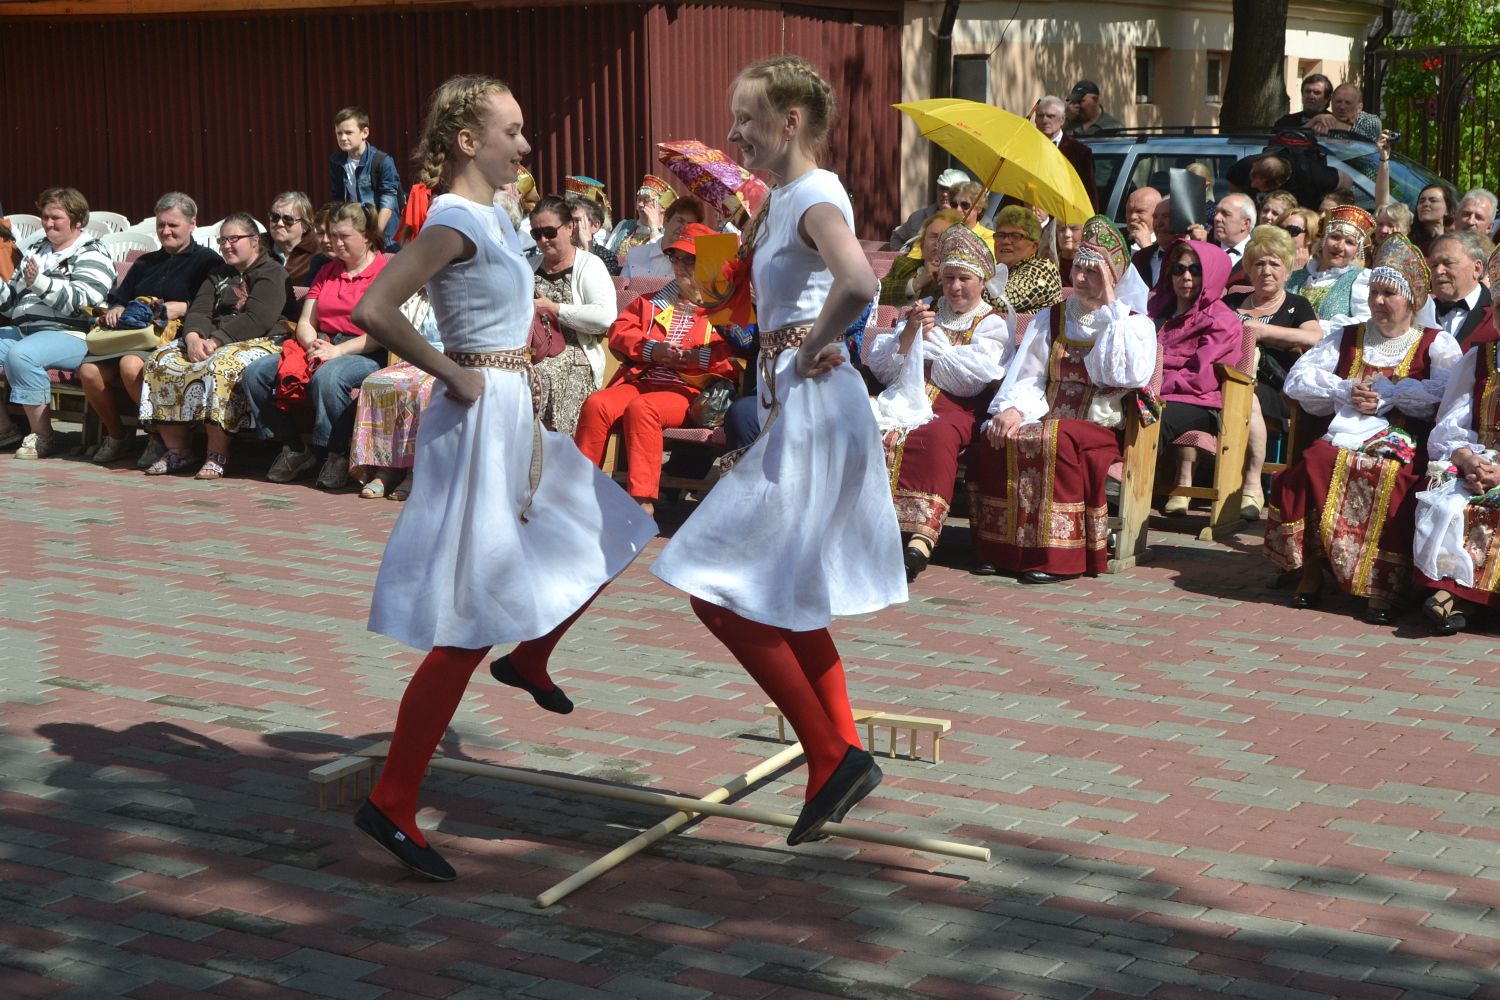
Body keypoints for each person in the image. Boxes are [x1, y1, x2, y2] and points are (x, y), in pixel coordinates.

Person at [349, 74, 656, 882]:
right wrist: (454, 373)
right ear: (466, 141)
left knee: (615, 525)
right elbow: (376, 309)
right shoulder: (453, 219)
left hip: (512, 409)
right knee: (470, 621)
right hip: (480, 418)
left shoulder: (493, 215)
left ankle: (531, 658)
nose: (524, 144)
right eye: (511, 131)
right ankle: (392, 800)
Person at [651, 55, 902, 846]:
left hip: (816, 408)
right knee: (785, 595)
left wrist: (816, 342)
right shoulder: (783, 200)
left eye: (747, 119)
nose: (735, 134)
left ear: (791, 122)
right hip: (795, 402)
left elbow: (858, 280)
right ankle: (843, 755)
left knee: (715, 587)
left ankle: (831, 756)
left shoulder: (815, 194)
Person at [1265, 234, 1461, 623]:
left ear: (1412, 300)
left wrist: (1394, 394)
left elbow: (1447, 393)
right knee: (1317, 458)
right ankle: (1311, 572)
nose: (1378, 302)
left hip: (1405, 442)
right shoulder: (1347, 335)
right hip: (1344, 435)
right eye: (1374, 292)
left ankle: (1381, 586)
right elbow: (1298, 380)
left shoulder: (1436, 343)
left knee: (1393, 473)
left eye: (1389, 294)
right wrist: (1345, 390)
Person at [968, 216, 1156, 581]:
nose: (1081, 278)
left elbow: (1120, 376)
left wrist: (1112, 305)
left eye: (1093, 272)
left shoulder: (1132, 324)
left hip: (1099, 427)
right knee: (997, 435)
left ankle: (1057, 557)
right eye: (1079, 269)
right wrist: (1014, 409)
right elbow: (1029, 374)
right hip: (1047, 414)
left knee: (1055, 437)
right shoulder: (1051, 317)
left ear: (1114, 276)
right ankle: (1001, 550)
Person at [865, 224, 1010, 582]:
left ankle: (921, 538)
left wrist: (936, 340)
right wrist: (910, 332)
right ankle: (867, 527)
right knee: (868, 426)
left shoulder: (991, 324)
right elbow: (886, 370)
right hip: (905, 396)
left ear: (982, 280)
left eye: (964, 279)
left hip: (958, 407)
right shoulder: (925, 310)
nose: (955, 287)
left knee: (935, 435)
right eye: (948, 279)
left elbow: (969, 380)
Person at [574, 223, 743, 516]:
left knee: (644, 409)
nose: (680, 267)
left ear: (709, 263)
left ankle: (642, 503)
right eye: (675, 258)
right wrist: (653, 350)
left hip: (690, 391)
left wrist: (695, 358)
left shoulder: (724, 308)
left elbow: (736, 358)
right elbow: (620, 333)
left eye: (689, 260)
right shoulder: (653, 302)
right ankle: (578, 496)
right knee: (596, 404)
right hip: (643, 381)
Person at [241, 202, 390, 489]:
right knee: (255, 373)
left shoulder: (385, 272)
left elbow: (385, 331)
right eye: (333, 235)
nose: (336, 243)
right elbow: (306, 321)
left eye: (344, 236)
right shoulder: (327, 270)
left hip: (366, 348)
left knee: (329, 377)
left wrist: (338, 351)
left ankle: (337, 454)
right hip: (322, 343)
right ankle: (295, 448)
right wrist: (314, 346)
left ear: (367, 236)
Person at [138, 212, 297, 478]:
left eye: (234, 239)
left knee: (219, 367)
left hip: (262, 339)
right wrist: (192, 338)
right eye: (222, 240)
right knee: (160, 361)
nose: (226, 246)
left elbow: (257, 318)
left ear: (255, 241)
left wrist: (215, 341)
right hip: (210, 338)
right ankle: (178, 450)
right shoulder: (218, 273)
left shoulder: (272, 272)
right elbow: (199, 310)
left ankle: (217, 454)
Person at [77, 192, 222, 466]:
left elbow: (213, 305)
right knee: (89, 371)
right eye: (161, 225)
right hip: (129, 336)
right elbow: (120, 298)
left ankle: (157, 436)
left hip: (169, 339)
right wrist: (117, 308)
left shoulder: (208, 262)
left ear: (192, 224)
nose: (166, 231)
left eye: (173, 225)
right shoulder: (146, 262)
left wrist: (185, 307)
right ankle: (117, 435)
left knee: (130, 365)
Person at [0, 187, 115, 459]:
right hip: (25, 331)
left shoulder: (92, 252)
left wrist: (40, 283)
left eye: (56, 218)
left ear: (78, 221)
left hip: (72, 334)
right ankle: (5, 430)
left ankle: (42, 436)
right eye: (45, 217)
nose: (48, 223)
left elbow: (83, 302)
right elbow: (9, 304)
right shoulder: (36, 250)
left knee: (22, 355)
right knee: (20, 348)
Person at [1225, 226, 1324, 520]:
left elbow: (1316, 337)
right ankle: (1185, 480)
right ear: (1248, 269)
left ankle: (1252, 485)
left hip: (1274, 387)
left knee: (1248, 397)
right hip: (1224, 382)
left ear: (1288, 270)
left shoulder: (1296, 305)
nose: (1266, 271)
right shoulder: (1231, 303)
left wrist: (1263, 331)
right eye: (1259, 263)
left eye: (1274, 264)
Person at [1413, 305, 1500, 634]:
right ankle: (1460, 596)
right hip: (1484, 458)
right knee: (1451, 505)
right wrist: (1468, 461)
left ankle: (1456, 598)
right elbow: (1451, 426)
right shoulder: (1479, 359)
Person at [1151, 240, 1245, 515]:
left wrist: (1155, 384)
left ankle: (1129, 487)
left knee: (1149, 416)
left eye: (1195, 270)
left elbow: (1201, 377)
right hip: (1152, 391)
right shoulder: (1157, 309)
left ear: (1211, 275)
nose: (1186, 277)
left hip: (1198, 401)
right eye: (1178, 269)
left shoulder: (1221, 319)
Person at [528, 194, 616, 434]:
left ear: (569, 228)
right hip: (533, 350)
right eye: (536, 234)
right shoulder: (529, 266)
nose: (543, 240)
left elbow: (606, 317)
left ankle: (554, 447)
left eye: (549, 232)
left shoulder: (590, 265)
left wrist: (556, 309)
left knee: (542, 374)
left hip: (577, 352)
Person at [349, 293, 441, 501]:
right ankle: (387, 467)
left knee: (420, 390)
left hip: (448, 360)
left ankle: (413, 470)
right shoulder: (418, 295)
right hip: (415, 358)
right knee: (374, 383)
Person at [1287, 205, 1374, 337]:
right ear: (1323, 239)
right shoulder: (1296, 276)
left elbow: (1366, 323)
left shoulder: (1359, 279)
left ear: (1357, 251)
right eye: (1335, 237)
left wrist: (1317, 325)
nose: (1339, 246)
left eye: (1350, 242)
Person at [328, 107, 403, 245]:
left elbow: (388, 200)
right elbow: (338, 199)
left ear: (365, 132)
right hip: (356, 232)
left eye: (348, 132)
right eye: (339, 133)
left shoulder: (382, 161)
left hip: (385, 237)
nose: (343, 138)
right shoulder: (336, 161)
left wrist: (376, 234)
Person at [878, 208, 961, 307]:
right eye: (934, 236)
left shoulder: (962, 276)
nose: (938, 242)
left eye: (946, 237)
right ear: (922, 244)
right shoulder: (904, 265)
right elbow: (875, 295)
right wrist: (917, 282)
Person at [1032, 95, 1100, 213]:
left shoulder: (1080, 152)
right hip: (1031, 216)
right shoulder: (1027, 147)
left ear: (1062, 119)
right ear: (1035, 120)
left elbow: (1089, 195)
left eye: (1050, 116)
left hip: (1066, 218)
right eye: (1040, 116)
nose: (1044, 120)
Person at [1427, 231, 1493, 351]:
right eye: (1434, 265)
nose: (1438, 271)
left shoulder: (1495, 310)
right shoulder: (1421, 315)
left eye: (1448, 263)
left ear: (1477, 268)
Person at [992, 205, 1063, 314]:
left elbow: (1001, 302)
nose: (1005, 241)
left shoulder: (1042, 270)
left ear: (1034, 246)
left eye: (1015, 236)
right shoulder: (996, 270)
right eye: (1001, 235)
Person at [619, 196, 706, 281]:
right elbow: (622, 288)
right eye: (680, 221)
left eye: (690, 224)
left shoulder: (692, 267)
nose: (683, 227)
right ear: (665, 221)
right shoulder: (636, 254)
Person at [888, 167, 968, 249]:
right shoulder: (918, 217)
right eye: (942, 188)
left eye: (949, 190)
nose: (944, 194)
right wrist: (904, 255)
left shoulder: (968, 220)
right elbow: (897, 237)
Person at [605, 174, 674, 262]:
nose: (641, 204)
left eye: (647, 200)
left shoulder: (667, 235)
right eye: (639, 199)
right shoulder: (624, 226)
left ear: (662, 208)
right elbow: (606, 256)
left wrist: (654, 229)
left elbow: (660, 262)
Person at [267, 192, 325, 285]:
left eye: (288, 219)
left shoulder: (319, 251)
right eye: (275, 217)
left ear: (305, 225)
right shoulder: (258, 246)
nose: (279, 223)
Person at [1305, 83, 1381, 141]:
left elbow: (1367, 140)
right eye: (1338, 101)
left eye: (1348, 103)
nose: (1342, 107)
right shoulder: (1325, 120)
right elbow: (1301, 137)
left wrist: (1336, 125)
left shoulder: (1370, 120)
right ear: (1331, 103)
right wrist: (1314, 120)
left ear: (1359, 107)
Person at [568, 196, 620, 276]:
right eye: (568, 220)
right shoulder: (557, 251)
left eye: (577, 220)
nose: (571, 225)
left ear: (595, 226)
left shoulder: (606, 257)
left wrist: (588, 247)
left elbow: (596, 280)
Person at [1213, 192, 1257, 284]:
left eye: (1226, 214)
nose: (1217, 218)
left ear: (1245, 224)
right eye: (1216, 212)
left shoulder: (1259, 254)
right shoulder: (1207, 250)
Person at [1411, 183, 1455, 255]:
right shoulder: (1406, 240)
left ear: (1447, 209)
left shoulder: (1456, 241)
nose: (1425, 204)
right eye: (1421, 201)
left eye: (1433, 200)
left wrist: (1441, 240)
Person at [1123, 185, 1162, 253]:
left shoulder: (1167, 243)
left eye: (1140, 211)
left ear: (1156, 213)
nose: (1132, 217)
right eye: (1129, 211)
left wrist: (1146, 246)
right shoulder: (1115, 237)